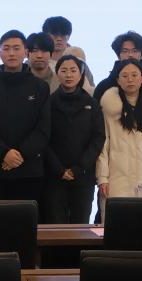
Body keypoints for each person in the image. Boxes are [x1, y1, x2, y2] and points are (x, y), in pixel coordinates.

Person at [0, 31, 52, 203]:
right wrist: (4, 153)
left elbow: (43, 129)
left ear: (26, 52)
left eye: (16, 48)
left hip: (29, 170)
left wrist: (19, 155)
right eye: (6, 48)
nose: (11, 53)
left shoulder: (40, 87)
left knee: (27, 218)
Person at [96, 58, 142, 201]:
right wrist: (102, 177)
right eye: (124, 76)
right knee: (116, 214)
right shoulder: (110, 107)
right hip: (115, 178)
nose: (130, 79)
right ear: (118, 80)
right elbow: (103, 143)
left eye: (134, 75)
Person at [44, 55, 104, 223]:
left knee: (81, 223)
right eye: (64, 70)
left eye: (73, 70)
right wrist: (59, 169)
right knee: (55, 224)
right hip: (54, 175)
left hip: (83, 176)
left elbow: (98, 138)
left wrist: (79, 168)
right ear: (57, 74)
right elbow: (44, 137)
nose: (68, 75)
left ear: (81, 74)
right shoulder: (48, 103)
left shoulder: (92, 103)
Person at [94, 31, 142, 100]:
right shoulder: (105, 86)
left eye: (135, 51)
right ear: (118, 55)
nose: (130, 55)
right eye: (125, 51)